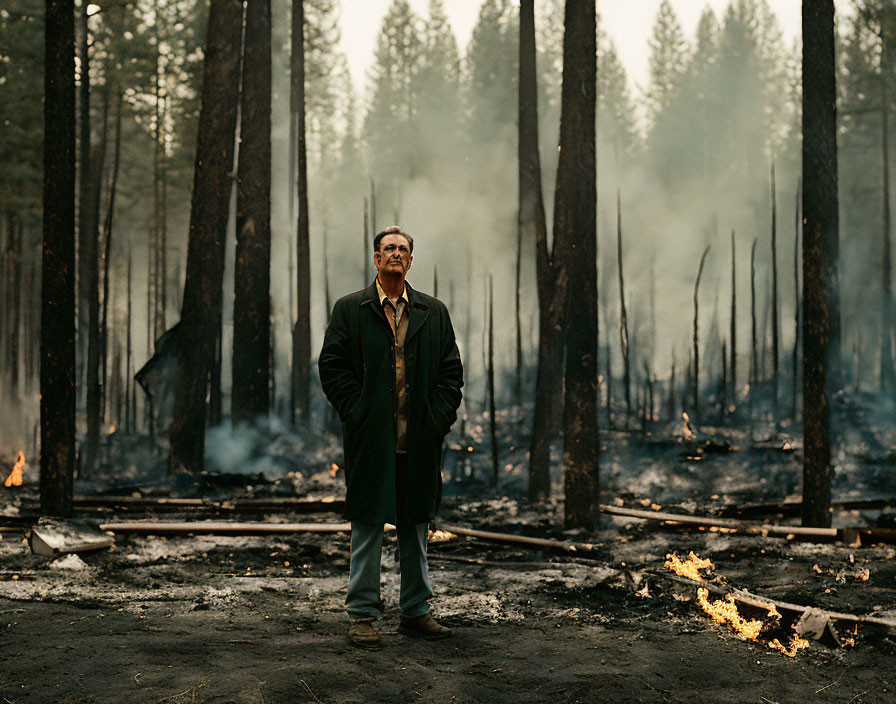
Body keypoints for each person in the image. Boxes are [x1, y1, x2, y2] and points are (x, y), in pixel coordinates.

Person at [318, 225, 464, 650]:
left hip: (418, 439)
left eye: (403, 249)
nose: (396, 254)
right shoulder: (351, 309)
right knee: (367, 524)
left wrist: (436, 419)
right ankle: (363, 615)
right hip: (373, 438)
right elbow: (332, 367)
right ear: (376, 259)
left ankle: (416, 612)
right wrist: (357, 411)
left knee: (415, 524)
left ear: (411, 260)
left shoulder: (432, 312)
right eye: (388, 249)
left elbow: (451, 373)